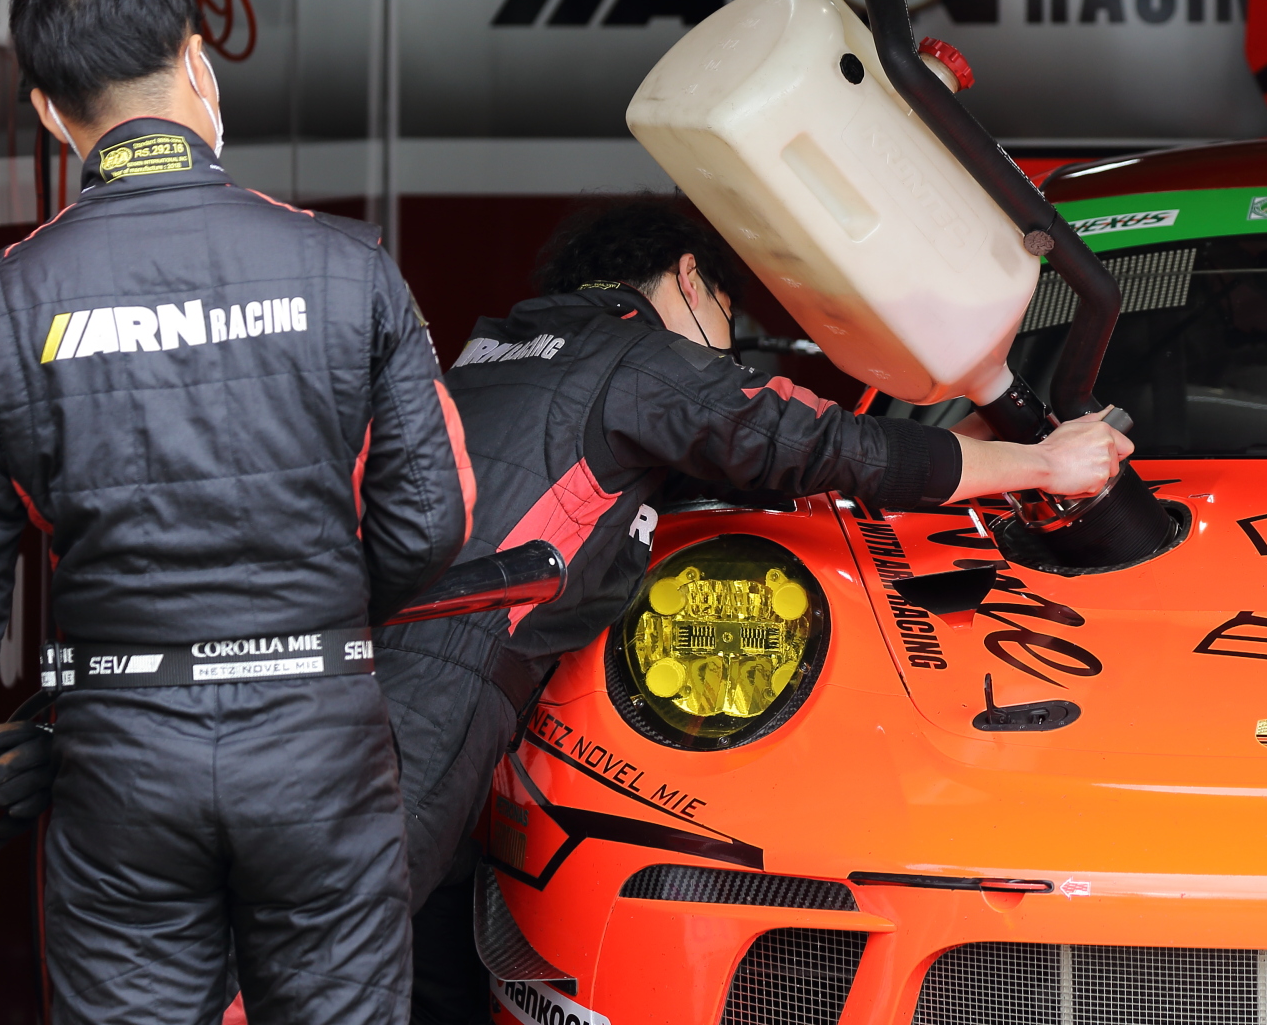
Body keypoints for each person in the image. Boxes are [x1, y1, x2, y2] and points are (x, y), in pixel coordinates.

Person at [0, 0, 473, 1025]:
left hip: (121, 759)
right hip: (319, 752)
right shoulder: (348, 269)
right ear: (198, 63)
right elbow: (432, 520)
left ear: (50, 115)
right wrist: (312, 624)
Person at [383, 200, 1131, 1023]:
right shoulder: (635, 356)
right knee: (344, 935)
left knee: (420, 954)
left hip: (371, 659)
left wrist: (998, 445)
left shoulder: (499, 350)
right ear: (690, 279)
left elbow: (742, 470)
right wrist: (1043, 465)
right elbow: (819, 444)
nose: (726, 354)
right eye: (728, 321)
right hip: (441, 679)